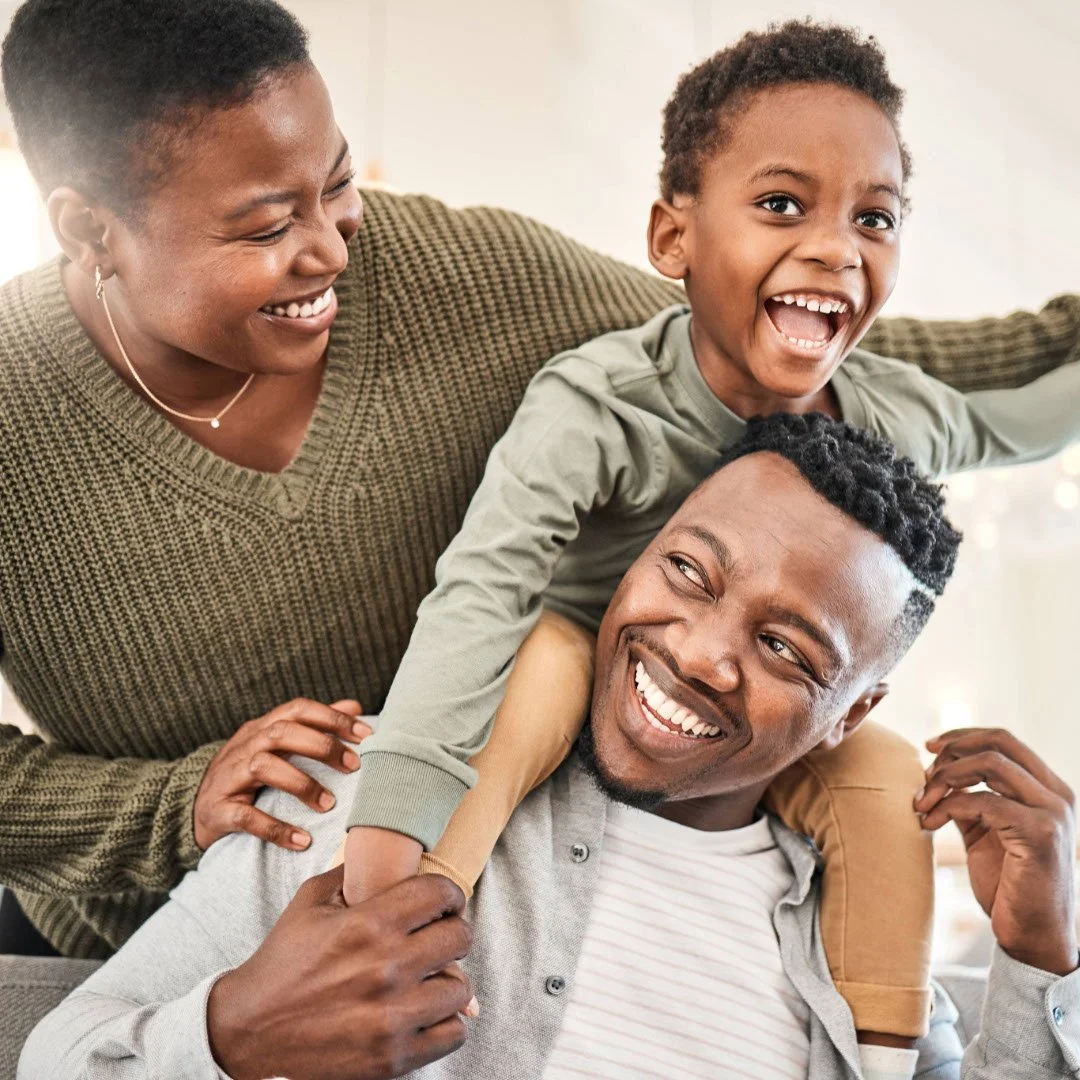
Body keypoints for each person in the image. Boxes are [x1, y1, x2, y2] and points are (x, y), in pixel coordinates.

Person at [0, 0, 1076, 965]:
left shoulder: (466, 277)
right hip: (122, 956)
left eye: (335, 186)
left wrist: (1058, 341)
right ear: (90, 229)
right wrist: (170, 806)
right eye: (269, 226)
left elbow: (764, 327)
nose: (329, 248)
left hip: (473, 924)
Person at [338, 19, 1080, 1057]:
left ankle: (881, 1056)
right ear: (673, 240)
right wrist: (385, 830)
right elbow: (480, 592)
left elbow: (1023, 419)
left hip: (750, 720)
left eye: (876, 217)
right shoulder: (601, 402)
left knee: (881, 781)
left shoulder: (892, 411)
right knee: (541, 665)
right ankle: (391, 942)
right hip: (595, 657)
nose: (834, 246)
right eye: (784, 204)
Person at [20, 414, 1079, 1080]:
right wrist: (233, 1038)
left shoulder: (861, 962)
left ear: (852, 715)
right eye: (690, 574)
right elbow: (55, 1058)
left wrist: (1037, 955)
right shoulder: (387, 802)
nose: (703, 654)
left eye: (783, 647)